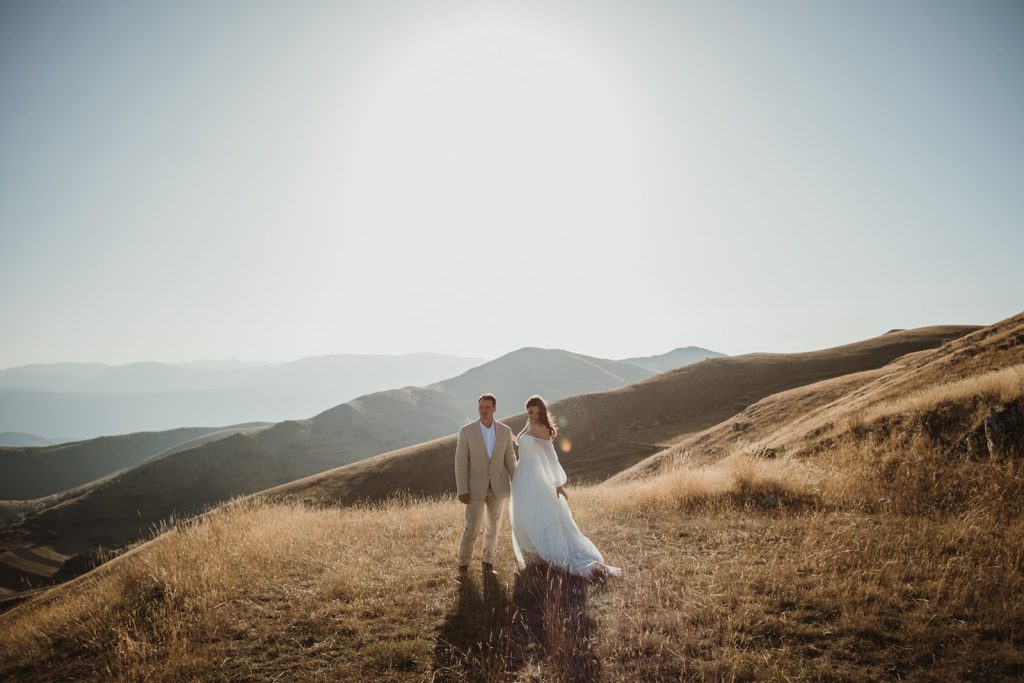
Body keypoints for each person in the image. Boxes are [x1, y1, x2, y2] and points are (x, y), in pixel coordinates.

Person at [508, 395, 621, 581]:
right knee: (524, 514)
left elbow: (551, 458)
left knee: (541, 515)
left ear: (542, 412)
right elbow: (522, 443)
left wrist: (558, 484)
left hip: (535, 476)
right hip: (523, 475)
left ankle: (551, 554)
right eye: (530, 412)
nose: (534, 416)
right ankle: (534, 555)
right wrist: (506, 433)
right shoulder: (528, 424)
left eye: (537, 413)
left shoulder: (542, 428)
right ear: (526, 411)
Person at [454, 393, 518, 580]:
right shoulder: (466, 431)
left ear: (495, 408)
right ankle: (463, 565)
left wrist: (517, 483)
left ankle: (488, 563)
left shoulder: (505, 431)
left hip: (498, 487)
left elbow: (510, 459)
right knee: (471, 528)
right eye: (481, 407)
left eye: (487, 407)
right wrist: (462, 489)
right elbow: (460, 462)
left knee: (493, 528)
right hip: (474, 488)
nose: (484, 411)